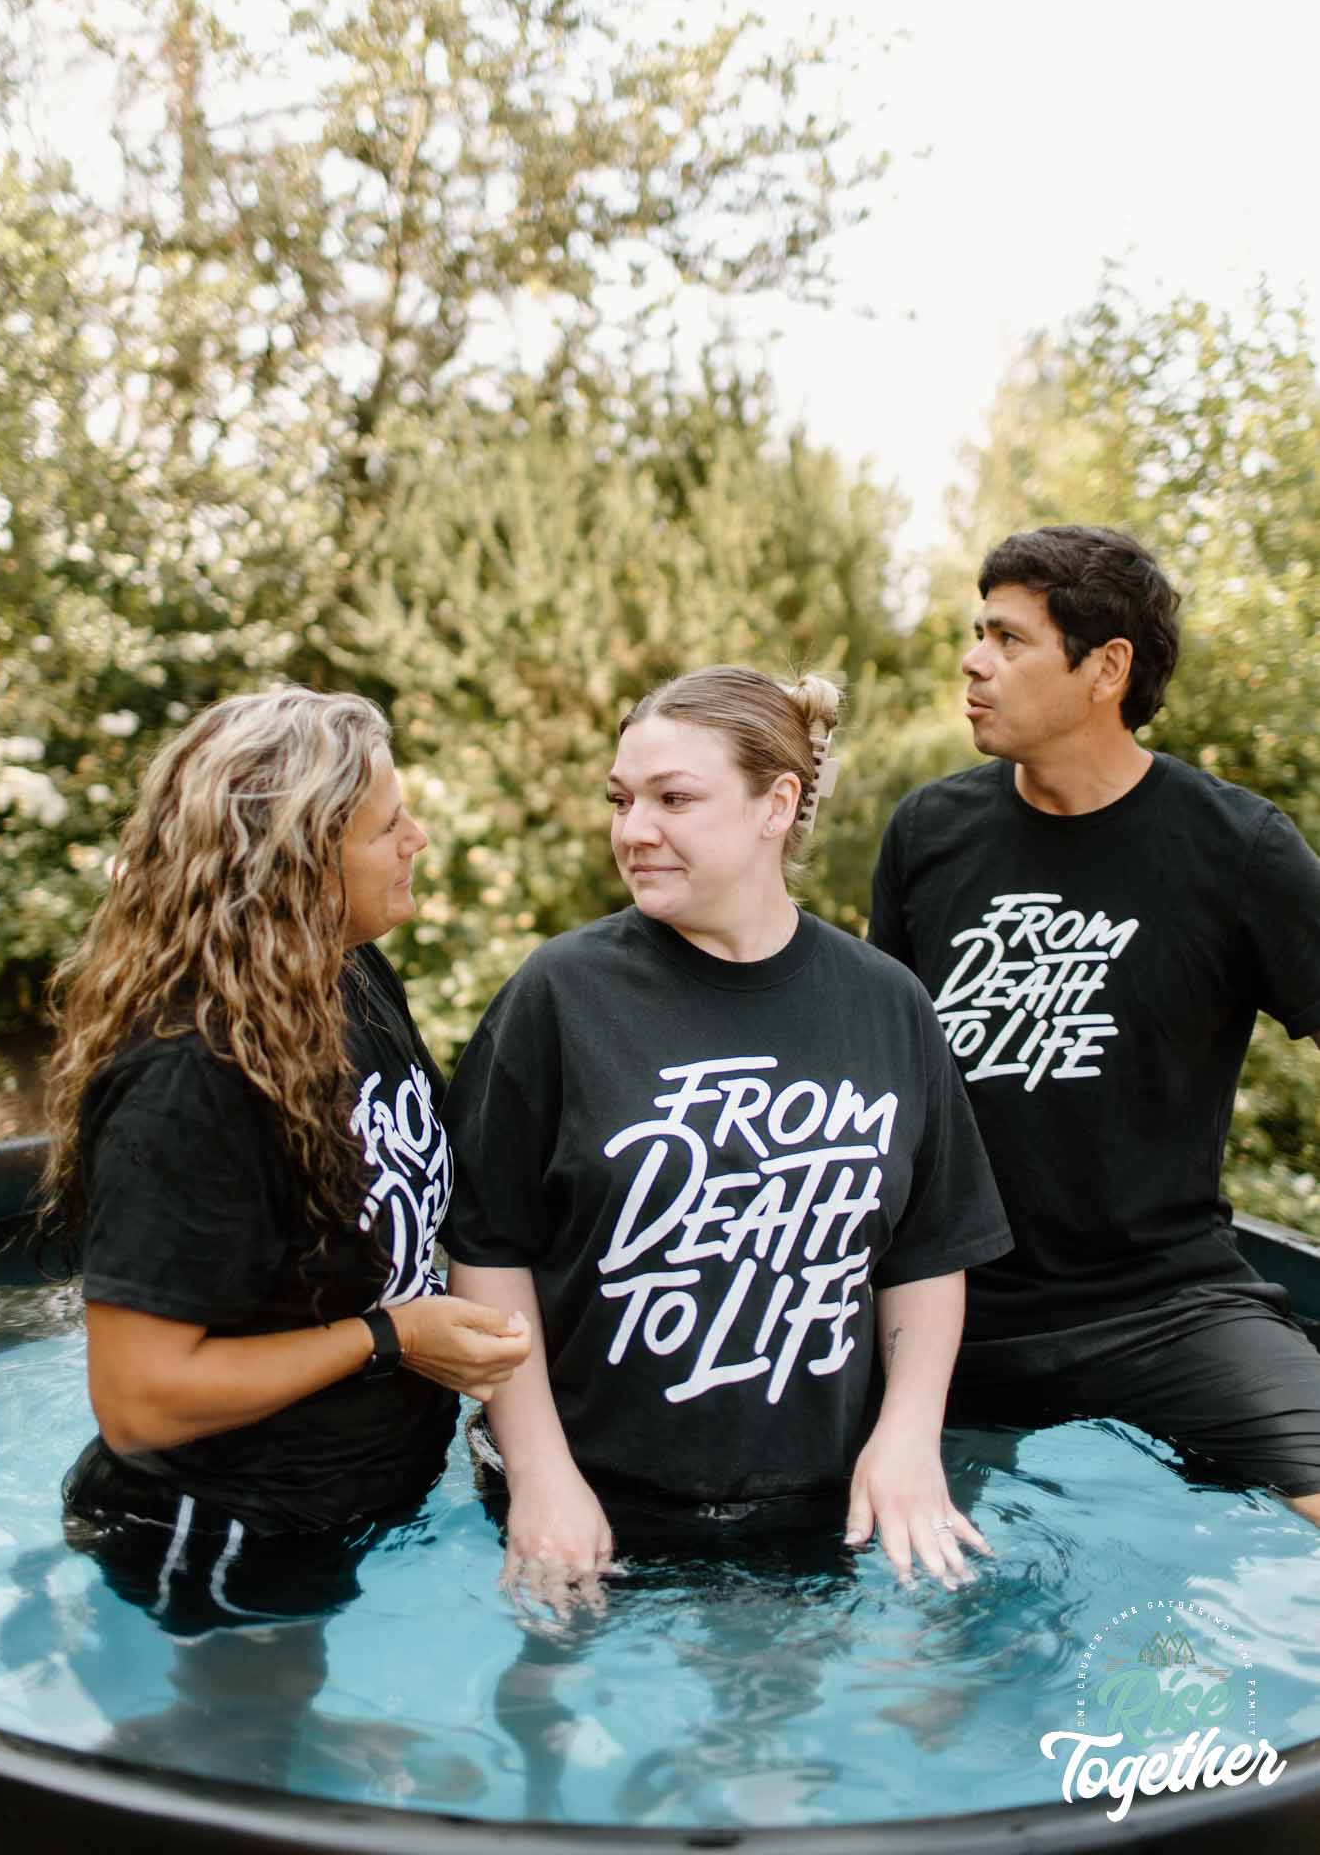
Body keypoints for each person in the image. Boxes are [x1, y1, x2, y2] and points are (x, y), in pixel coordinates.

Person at [443, 666, 1013, 1600]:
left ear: (775, 805)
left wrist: (907, 1438)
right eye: (621, 800)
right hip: (589, 1505)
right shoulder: (559, 994)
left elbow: (925, 1253)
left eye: (673, 799)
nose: (634, 829)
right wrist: (542, 1476)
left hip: (820, 1510)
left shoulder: (885, 1003)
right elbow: (486, 1251)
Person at [37, 686, 532, 1636]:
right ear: (297, 864)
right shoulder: (189, 1077)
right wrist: (390, 1338)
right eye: (387, 826)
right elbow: (139, 1400)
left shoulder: (345, 972)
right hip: (224, 1535)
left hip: (347, 1506)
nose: (418, 839)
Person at [868, 523, 1320, 1524]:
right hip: (944, 1312)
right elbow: (879, 1083)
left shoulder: (1236, 847)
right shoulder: (928, 831)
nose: (973, 661)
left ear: (1106, 668)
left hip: (1164, 1309)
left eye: (1008, 638)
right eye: (977, 633)